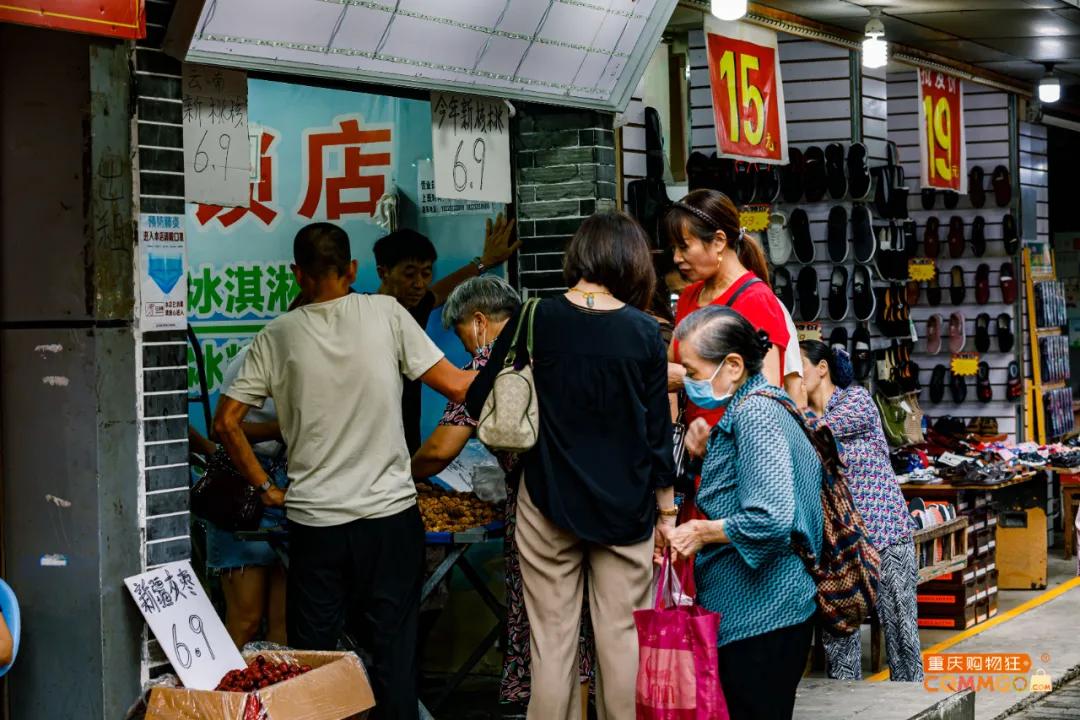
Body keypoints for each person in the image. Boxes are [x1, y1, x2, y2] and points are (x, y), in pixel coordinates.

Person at [214, 222, 475, 720]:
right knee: (394, 652)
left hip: (316, 524)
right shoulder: (387, 312)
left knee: (317, 657)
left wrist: (268, 489)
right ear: (351, 269)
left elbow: (226, 422)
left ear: (297, 275)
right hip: (390, 518)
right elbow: (459, 388)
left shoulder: (277, 335)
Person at [466, 212, 676, 720]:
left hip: (546, 499)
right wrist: (666, 513)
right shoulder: (645, 334)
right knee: (621, 638)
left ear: (578, 256)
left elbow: (477, 398)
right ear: (630, 262)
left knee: (552, 643)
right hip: (625, 508)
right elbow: (656, 437)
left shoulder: (534, 318)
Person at [409, 276, 595, 707]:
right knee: (583, 624)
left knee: (548, 629)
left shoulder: (492, 363)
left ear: (478, 323)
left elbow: (441, 449)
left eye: (462, 337)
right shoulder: (562, 347)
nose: (467, 349)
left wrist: (399, 474)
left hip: (536, 506)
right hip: (592, 502)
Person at [663, 305, 824, 720]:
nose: (690, 385)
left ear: (733, 365)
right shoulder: (756, 406)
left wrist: (700, 533)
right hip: (764, 611)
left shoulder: (755, 413)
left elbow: (770, 517)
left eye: (694, 374)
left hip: (763, 614)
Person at [800, 340, 922, 682]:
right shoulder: (804, 416)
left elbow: (821, 431)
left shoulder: (856, 401)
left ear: (822, 368)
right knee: (840, 644)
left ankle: (911, 706)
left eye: (800, 368)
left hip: (886, 538)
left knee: (903, 637)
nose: (793, 376)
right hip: (840, 549)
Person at [375, 215, 519, 454]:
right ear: (383, 273)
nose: (419, 283)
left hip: (406, 439)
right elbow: (455, 389)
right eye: (410, 274)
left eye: (426, 273)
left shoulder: (414, 307)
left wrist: (484, 263)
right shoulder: (364, 315)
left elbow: (439, 291)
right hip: (372, 439)